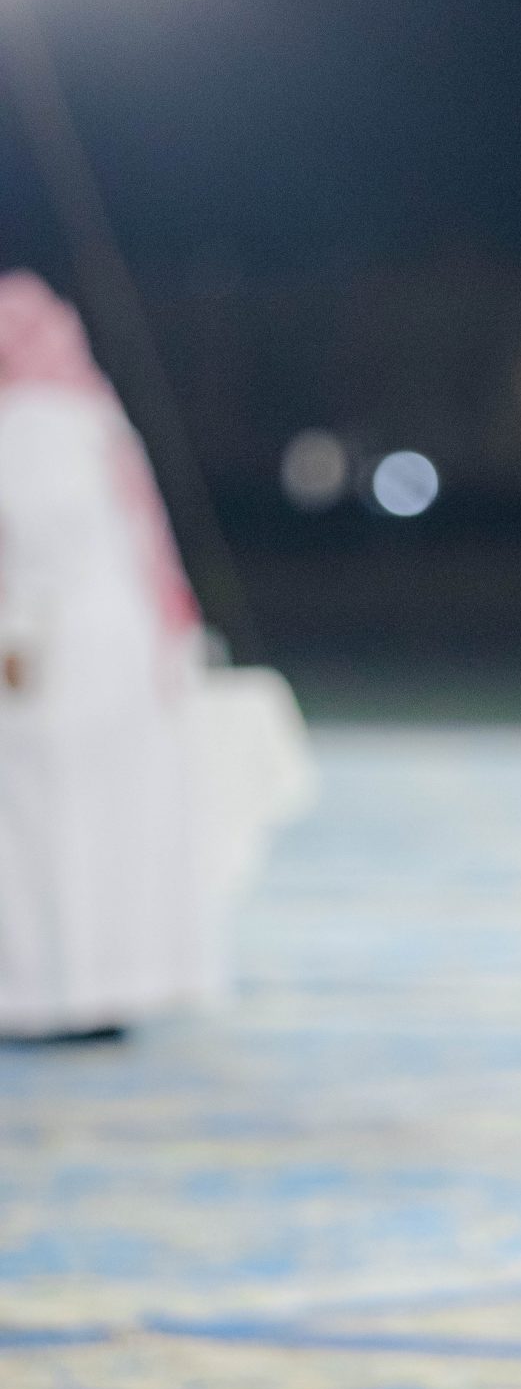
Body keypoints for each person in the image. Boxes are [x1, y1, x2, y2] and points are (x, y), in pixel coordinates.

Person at [0, 270, 312, 1037]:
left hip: (58, 653)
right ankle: (103, 987)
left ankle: (54, 996)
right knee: (109, 826)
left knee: (52, 830)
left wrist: (17, 635)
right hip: (121, 645)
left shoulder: (32, 421)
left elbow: (42, 541)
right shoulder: (87, 412)